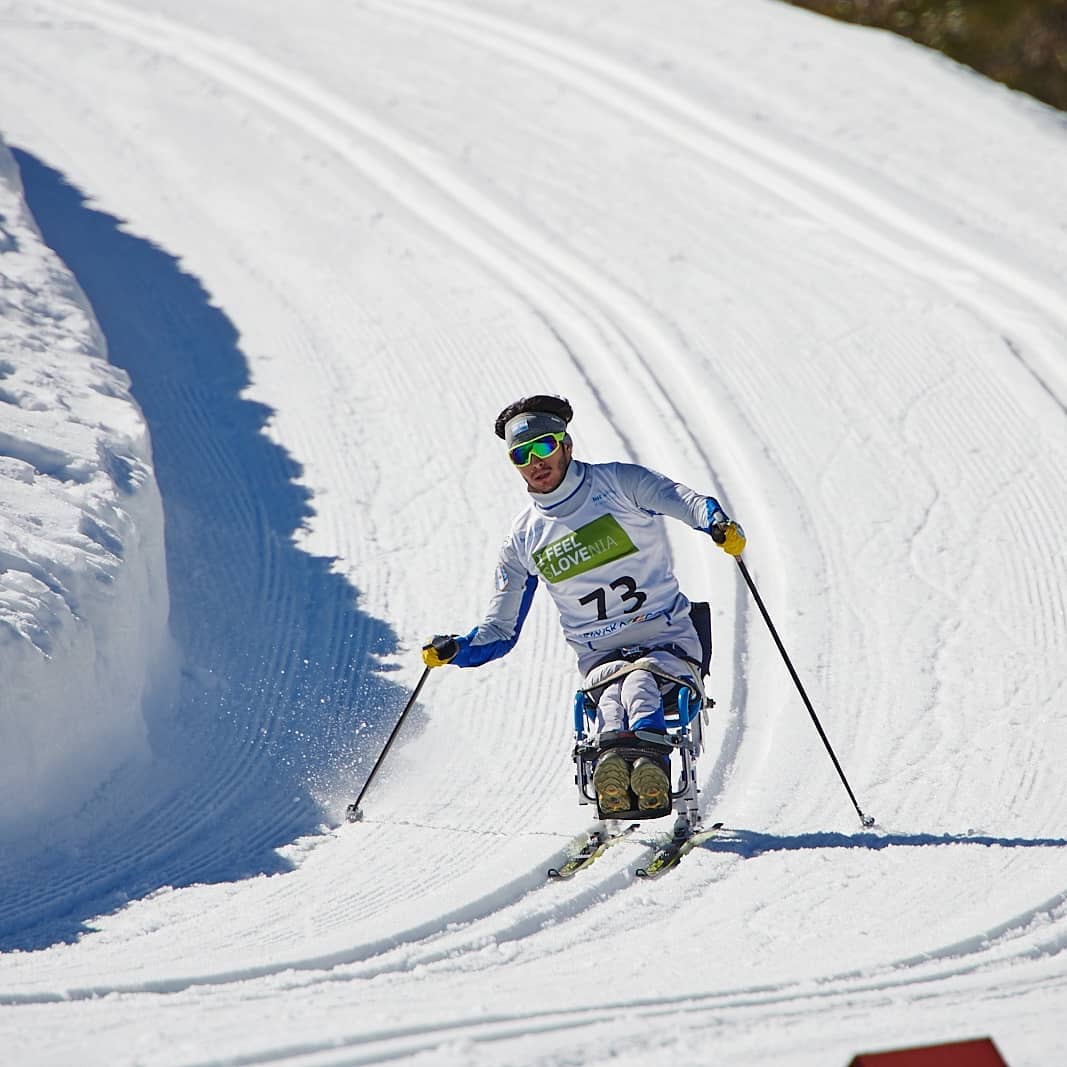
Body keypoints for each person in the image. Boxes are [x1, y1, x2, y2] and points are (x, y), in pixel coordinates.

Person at [422, 395, 745, 815]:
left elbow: (682, 499)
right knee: (611, 696)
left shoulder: (618, 484)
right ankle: (618, 776)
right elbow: (500, 632)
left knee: (640, 684)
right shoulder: (523, 540)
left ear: (567, 445)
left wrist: (715, 524)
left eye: (544, 446)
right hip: (601, 658)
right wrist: (456, 650)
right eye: (522, 455)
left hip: (666, 640)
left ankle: (650, 768)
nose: (535, 461)